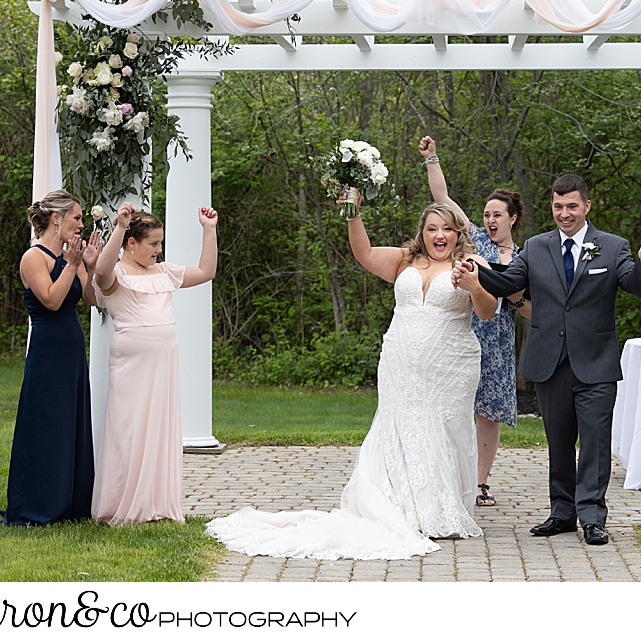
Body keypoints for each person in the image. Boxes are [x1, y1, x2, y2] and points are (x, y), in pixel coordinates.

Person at [206, 200, 499, 559]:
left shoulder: (472, 264)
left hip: (450, 364)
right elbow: (363, 252)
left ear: (459, 233)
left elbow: (488, 312)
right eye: (431, 229)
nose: (439, 236)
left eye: (447, 229)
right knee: (399, 426)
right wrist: (352, 212)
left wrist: (473, 286)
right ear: (422, 233)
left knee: (441, 427)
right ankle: (399, 509)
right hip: (400, 360)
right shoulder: (406, 259)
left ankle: (438, 510)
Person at [458, 174, 641, 545]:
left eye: (571, 206)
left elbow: (633, 284)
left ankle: (593, 517)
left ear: (586, 206)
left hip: (596, 362)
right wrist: (479, 273)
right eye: (557, 206)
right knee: (559, 441)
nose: (564, 214)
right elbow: (508, 282)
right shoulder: (536, 247)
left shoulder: (612, 247)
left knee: (596, 443)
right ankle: (562, 513)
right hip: (550, 360)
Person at [419, 135, 532, 507]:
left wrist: (515, 296)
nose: (490, 220)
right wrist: (432, 157)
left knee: (488, 411)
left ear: (512, 219)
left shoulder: (526, 256)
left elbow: (534, 310)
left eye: (497, 214)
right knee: (454, 404)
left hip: (497, 341)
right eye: (486, 215)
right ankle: (449, 475)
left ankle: (480, 483)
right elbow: (443, 201)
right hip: (463, 330)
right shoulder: (475, 242)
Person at [91, 202, 218, 525]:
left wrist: (209, 231)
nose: (159, 250)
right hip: (132, 364)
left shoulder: (163, 272)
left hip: (164, 364)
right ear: (131, 244)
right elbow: (102, 273)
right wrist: (118, 227)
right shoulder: (118, 273)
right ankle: (123, 503)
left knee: (159, 429)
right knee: (129, 429)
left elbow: (206, 272)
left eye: (160, 243)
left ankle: (156, 503)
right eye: (153, 244)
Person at [2, 190, 101, 526]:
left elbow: (91, 299)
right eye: (77, 218)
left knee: (71, 421)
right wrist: (72, 265)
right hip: (47, 350)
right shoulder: (35, 257)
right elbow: (52, 300)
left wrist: (89, 265)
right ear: (57, 219)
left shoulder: (69, 255)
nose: (81, 224)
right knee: (47, 422)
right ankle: (38, 503)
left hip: (72, 348)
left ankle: (72, 503)